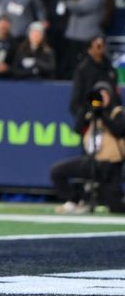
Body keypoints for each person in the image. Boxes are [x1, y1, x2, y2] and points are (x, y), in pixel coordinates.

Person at [51, 82, 125, 214]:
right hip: (92, 162)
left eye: (104, 95)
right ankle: (75, 200)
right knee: (57, 171)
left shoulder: (117, 113)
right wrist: (86, 108)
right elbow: (77, 129)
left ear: (110, 96)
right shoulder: (91, 114)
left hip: (110, 166)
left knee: (117, 208)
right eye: (98, 96)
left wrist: (101, 114)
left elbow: (118, 130)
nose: (101, 99)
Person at [70, 36, 121, 121]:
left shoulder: (109, 68)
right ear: (90, 48)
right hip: (89, 112)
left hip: (108, 115)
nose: (102, 48)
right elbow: (77, 96)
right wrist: (84, 115)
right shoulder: (83, 68)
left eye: (103, 45)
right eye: (98, 46)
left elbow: (115, 94)